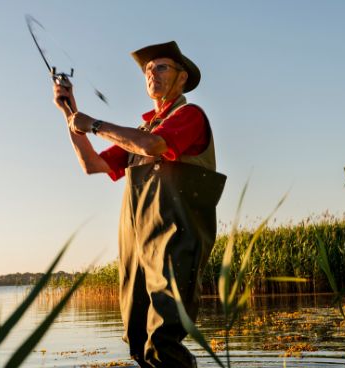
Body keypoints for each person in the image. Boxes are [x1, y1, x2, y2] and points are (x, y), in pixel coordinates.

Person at [52, 41, 226, 367]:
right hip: (137, 251)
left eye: (161, 67)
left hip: (174, 245)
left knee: (163, 341)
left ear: (182, 78)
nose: (151, 74)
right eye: (148, 70)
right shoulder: (140, 131)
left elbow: (154, 145)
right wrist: (69, 111)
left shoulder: (190, 116)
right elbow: (92, 164)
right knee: (138, 341)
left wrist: (94, 124)